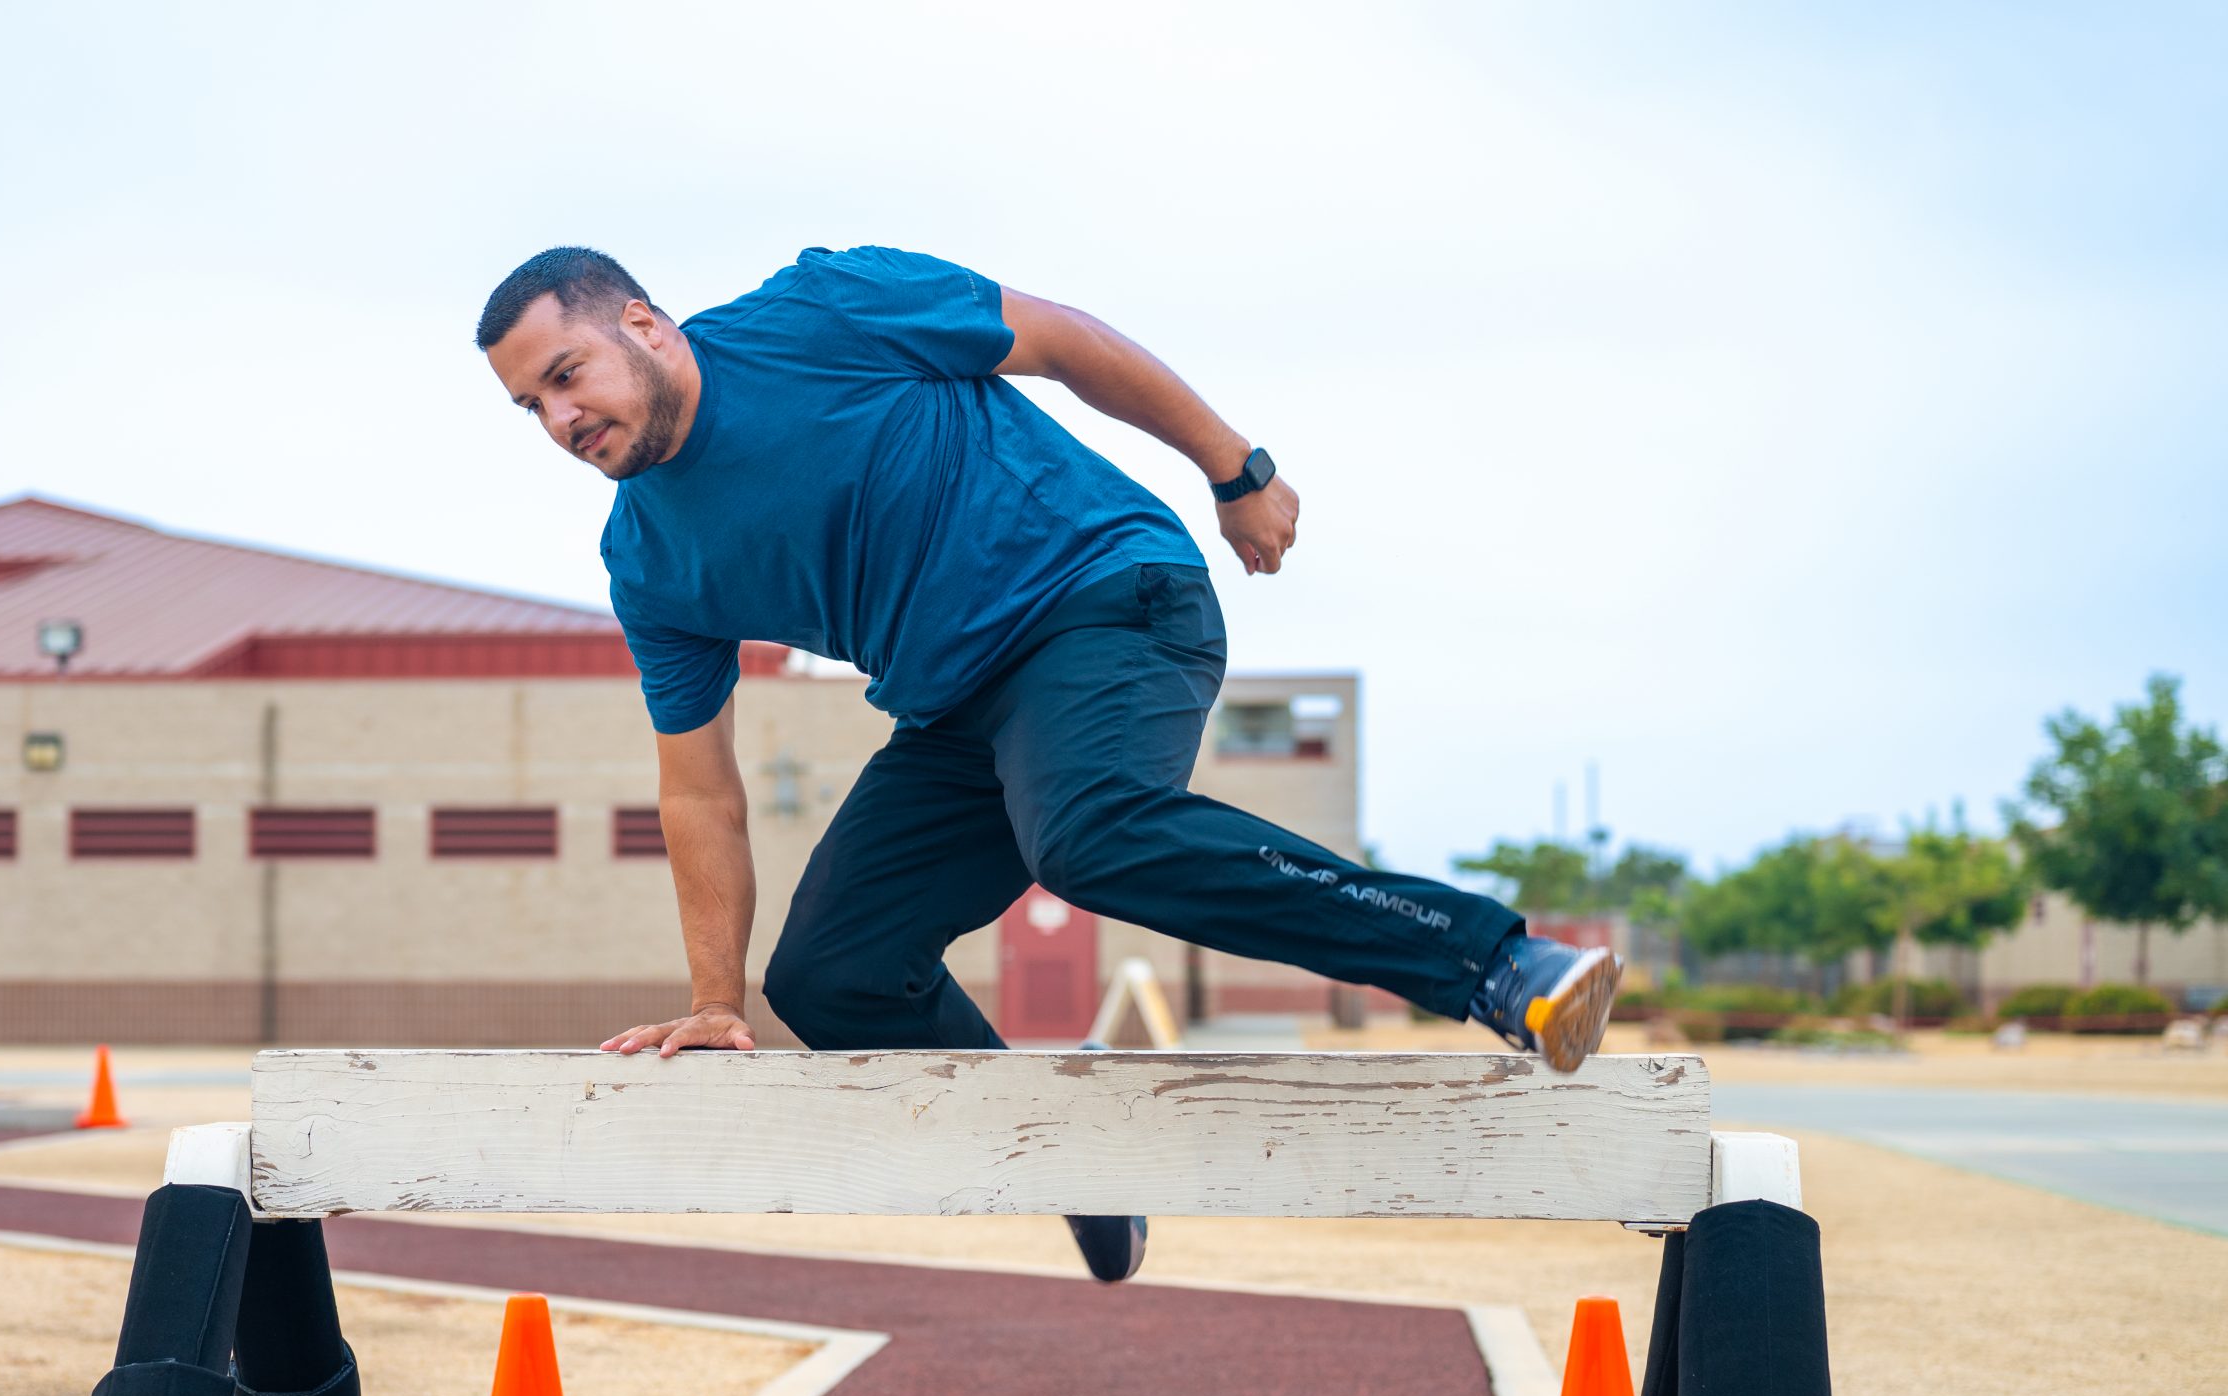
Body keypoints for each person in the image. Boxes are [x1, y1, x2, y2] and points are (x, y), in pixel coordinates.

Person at [475, 246, 1620, 1283]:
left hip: (1105, 599)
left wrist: (1235, 468)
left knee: (1090, 835)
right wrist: (716, 1002)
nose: (560, 420)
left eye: (568, 376)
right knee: (831, 973)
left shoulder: (822, 309)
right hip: (956, 710)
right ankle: (1076, 1164)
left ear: (644, 324)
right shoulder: (649, 560)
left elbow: (1062, 342)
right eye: (531, 406)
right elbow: (698, 786)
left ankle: (1497, 964)